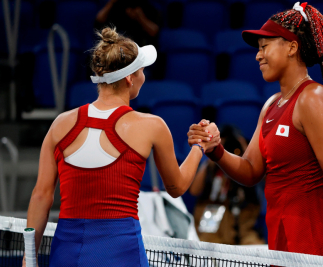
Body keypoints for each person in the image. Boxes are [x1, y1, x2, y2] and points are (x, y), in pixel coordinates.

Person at [24, 27, 219, 266]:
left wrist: (29, 258)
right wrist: (200, 147)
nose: (144, 76)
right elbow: (176, 187)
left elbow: (41, 196)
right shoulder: (152, 126)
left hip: (67, 253)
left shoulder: (60, 124)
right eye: (142, 70)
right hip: (120, 253)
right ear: (129, 78)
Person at [188, 2, 323, 259]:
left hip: (319, 249)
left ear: (292, 47)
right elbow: (251, 171)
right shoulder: (270, 106)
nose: (258, 56)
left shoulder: (312, 98)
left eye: (264, 47)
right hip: (281, 246)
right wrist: (217, 151)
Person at [189, 125, 264, 245]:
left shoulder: (246, 167)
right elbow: (194, 190)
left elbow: (258, 183)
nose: (228, 148)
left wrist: (246, 154)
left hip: (243, 227)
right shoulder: (211, 167)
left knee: (256, 247)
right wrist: (214, 153)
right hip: (214, 229)